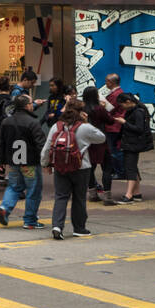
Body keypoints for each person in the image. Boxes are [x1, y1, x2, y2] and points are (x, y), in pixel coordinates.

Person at [40, 102, 106, 239]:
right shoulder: (85, 127)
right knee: (79, 198)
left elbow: (47, 147)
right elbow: (101, 138)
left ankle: (57, 226)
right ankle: (79, 228)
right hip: (81, 167)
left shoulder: (56, 126)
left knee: (61, 196)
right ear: (82, 112)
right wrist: (86, 121)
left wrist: (45, 163)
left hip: (60, 167)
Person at [0, 94, 47, 229]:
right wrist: (47, 161)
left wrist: (0, 160)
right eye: (31, 103)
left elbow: (1, 143)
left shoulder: (6, 121)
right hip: (30, 162)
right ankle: (30, 220)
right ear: (27, 106)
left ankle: (4, 208)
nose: (32, 105)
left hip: (13, 161)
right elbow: (41, 144)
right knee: (33, 190)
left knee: (14, 186)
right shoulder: (32, 122)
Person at [115, 92, 153, 204]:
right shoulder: (134, 110)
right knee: (132, 167)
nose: (122, 108)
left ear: (128, 102)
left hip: (133, 144)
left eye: (122, 105)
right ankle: (136, 193)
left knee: (130, 168)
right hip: (130, 143)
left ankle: (129, 195)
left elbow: (139, 128)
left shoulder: (138, 112)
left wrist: (124, 122)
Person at [81, 86, 116, 205]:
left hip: (87, 142)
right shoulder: (99, 109)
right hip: (100, 140)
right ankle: (107, 197)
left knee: (90, 168)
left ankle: (92, 194)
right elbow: (110, 120)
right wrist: (105, 108)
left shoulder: (82, 109)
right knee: (106, 168)